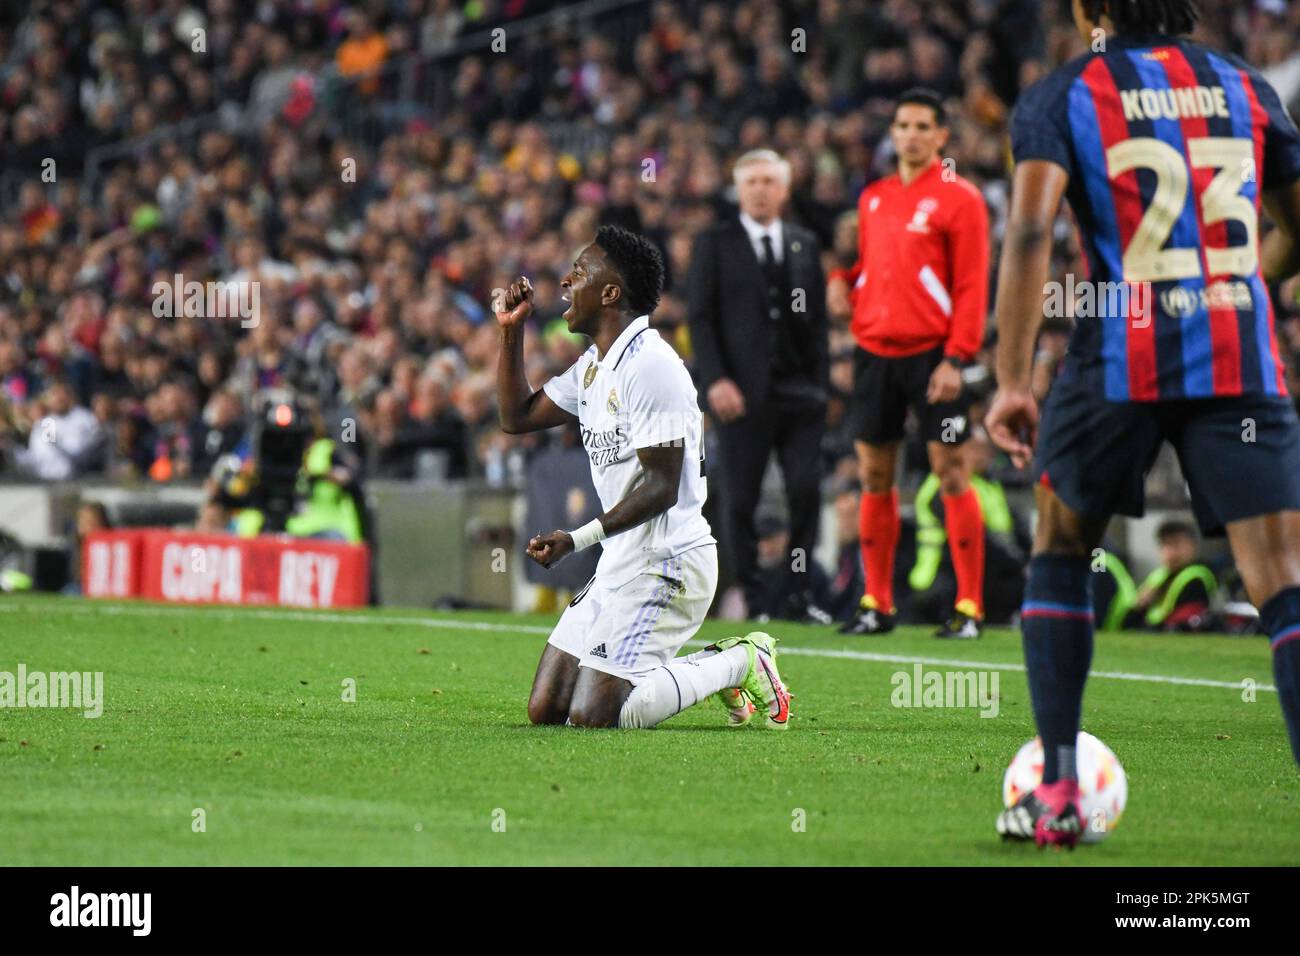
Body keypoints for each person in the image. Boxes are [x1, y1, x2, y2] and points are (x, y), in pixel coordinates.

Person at [987, 0, 1300, 847]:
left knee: (1057, 544)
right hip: (1239, 358)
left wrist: (1012, 380)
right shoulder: (1244, 85)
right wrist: (1247, 288)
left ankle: (1056, 788)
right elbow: (1296, 226)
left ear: (1091, 10)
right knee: (1283, 581)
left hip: (1115, 361)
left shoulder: (1066, 92)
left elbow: (1025, 233)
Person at [496, 224, 791, 730]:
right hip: (621, 561)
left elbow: (661, 487)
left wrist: (577, 538)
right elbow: (516, 417)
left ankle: (738, 662)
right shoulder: (595, 366)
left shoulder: (652, 365)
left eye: (581, 272)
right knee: (547, 709)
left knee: (596, 714)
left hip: (669, 563)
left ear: (611, 293)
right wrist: (510, 330)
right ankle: (680, 669)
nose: (567, 280)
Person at [828, 89, 992, 639]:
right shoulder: (873, 198)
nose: (913, 134)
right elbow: (874, 269)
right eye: (903, 125)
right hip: (875, 354)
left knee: (951, 472)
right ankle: (877, 602)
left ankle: (969, 607)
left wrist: (957, 357)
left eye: (924, 125)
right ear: (893, 134)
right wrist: (842, 284)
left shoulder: (961, 199)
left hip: (933, 360)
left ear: (941, 136)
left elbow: (971, 286)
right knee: (875, 475)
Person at [686, 149, 830, 624]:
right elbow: (701, 320)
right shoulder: (714, 242)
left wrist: (821, 386)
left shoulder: (804, 243)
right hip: (740, 397)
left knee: (806, 490)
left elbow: (817, 323)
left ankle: (797, 593)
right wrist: (716, 383)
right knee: (739, 500)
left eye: (770, 181)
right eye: (752, 182)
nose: (761, 190)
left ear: (784, 190)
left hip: (799, 395)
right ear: (739, 189)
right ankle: (750, 596)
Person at [1123, 519, 1217, 632]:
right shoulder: (1159, 577)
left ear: (1192, 546)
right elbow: (1128, 623)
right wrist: (1141, 606)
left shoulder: (1196, 577)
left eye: (1176, 544)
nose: (1170, 552)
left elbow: (1182, 623)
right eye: (1165, 544)